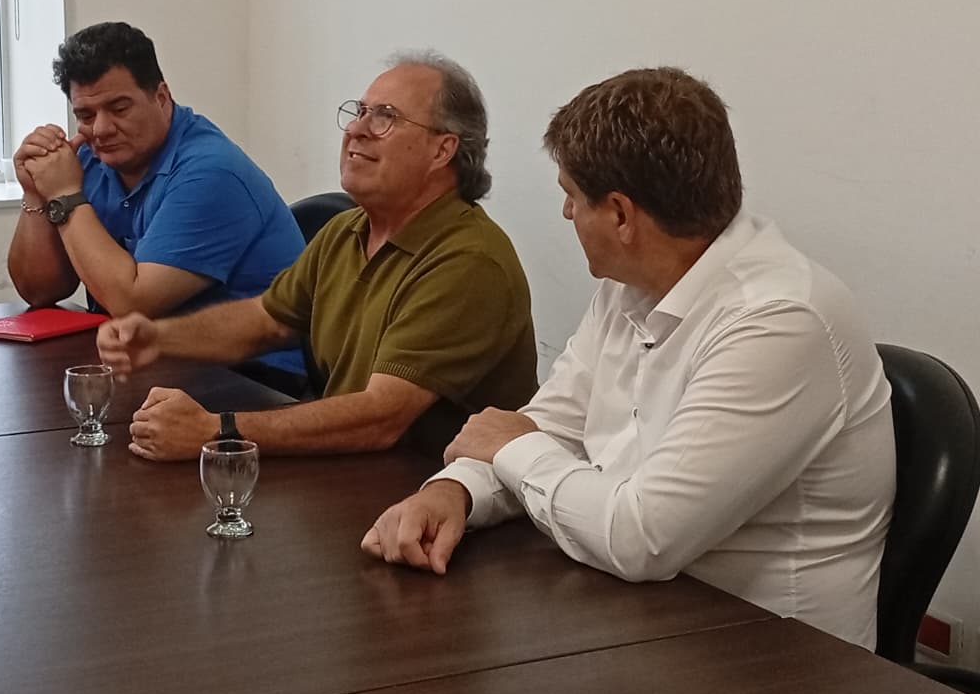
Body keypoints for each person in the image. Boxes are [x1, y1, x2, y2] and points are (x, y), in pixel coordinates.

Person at [361, 66, 895, 650]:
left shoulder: (779, 321)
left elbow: (642, 538)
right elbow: (554, 427)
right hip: (635, 614)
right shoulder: (631, 282)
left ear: (620, 214)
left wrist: (510, 448)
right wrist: (455, 491)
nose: (566, 214)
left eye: (571, 195)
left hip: (772, 660)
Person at [96, 52, 538, 460]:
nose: (356, 130)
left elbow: (383, 417)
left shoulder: (468, 260)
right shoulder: (346, 230)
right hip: (349, 474)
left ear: (443, 150)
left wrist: (218, 431)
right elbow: (266, 321)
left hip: (432, 492)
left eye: (386, 117)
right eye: (360, 111)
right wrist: (158, 338)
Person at [7, 20, 304, 376]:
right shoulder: (89, 160)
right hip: (151, 363)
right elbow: (39, 291)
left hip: (252, 376)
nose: (100, 129)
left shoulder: (212, 170)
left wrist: (65, 195)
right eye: (85, 115)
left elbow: (133, 304)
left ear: (161, 97)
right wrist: (36, 192)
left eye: (119, 108)